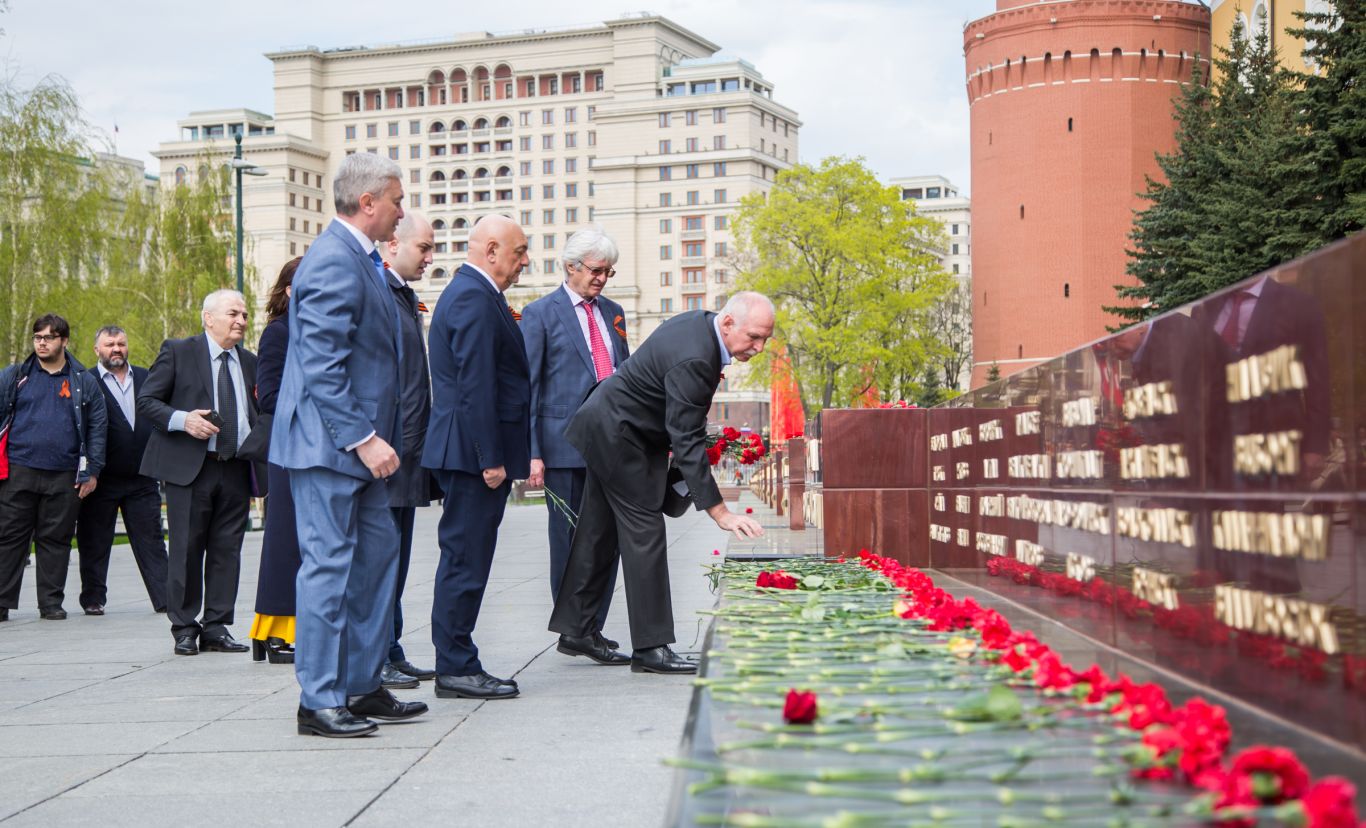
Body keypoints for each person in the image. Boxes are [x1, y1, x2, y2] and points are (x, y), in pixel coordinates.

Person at [271, 152, 427, 738]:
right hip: (329, 448)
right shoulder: (333, 260)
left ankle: (360, 685)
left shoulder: (359, 259)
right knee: (330, 570)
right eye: (396, 199)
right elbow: (319, 363)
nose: (401, 210)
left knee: (374, 564)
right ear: (368, 204)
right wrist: (364, 439)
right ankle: (319, 699)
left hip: (357, 450)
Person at [549, 292, 772, 673]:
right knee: (645, 532)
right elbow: (685, 437)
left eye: (766, 338)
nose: (760, 347)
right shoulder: (697, 358)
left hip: (609, 426)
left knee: (597, 533)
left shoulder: (703, 327)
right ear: (729, 322)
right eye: (754, 336)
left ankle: (577, 629)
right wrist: (719, 512)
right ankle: (651, 647)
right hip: (620, 436)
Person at [422, 214, 531, 701]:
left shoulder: (480, 295)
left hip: (472, 451)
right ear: (491, 250)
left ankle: (458, 660)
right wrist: (491, 457)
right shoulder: (471, 296)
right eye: (518, 251)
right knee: (465, 559)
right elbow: (475, 384)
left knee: (470, 557)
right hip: (471, 455)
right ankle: (456, 666)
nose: (524, 261)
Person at [521, 227, 629, 664]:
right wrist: (532, 452)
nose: (602, 279)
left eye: (609, 272)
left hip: (612, 446)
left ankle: (592, 627)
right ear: (570, 267)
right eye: (597, 270)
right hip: (561, 447)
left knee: (608, 539)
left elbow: (623, 375)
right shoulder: (540, 314)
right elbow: (528, 386)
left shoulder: (615, 312)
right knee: (568, 540)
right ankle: (573, 629)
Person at [139, 290, 264, 655]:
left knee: (228, 550)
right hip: (191, 468)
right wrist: (183, 420)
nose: (241, 320)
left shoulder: (251, 362)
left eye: (244, 314)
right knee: (186, 548)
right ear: (208, 318)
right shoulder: (179, 351)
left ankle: (217, 626)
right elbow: (147, 401)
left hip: (236, 467)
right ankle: (184, 626)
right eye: (233, 314)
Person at [0, 314, 106, 622]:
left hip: (65, 474)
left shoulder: (82, 380)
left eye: (48, 337)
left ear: (64, 341)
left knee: (56, 539)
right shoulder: (15, 376)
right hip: (19, 471)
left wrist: (93, 470)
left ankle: (50, 603)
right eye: (37, 338)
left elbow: (98, 427)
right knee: (9, 538)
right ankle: (2, 602)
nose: (41, 343)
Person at [380, 211, 438, 687]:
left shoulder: (404, 295)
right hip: (383, 453)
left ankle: (390, 646)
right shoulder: (378, 292)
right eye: (423, 248)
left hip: (407, 453)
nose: (430, 258)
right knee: (378, 561)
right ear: (390, 246)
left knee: (396, 562)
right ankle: (374, 653)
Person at [75, 326, 169, 615]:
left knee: (151, 539)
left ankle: (165, 598)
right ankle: (93, 599)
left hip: (143, 476)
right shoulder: (85, 381)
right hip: (102, 478)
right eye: (109, 344)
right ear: (97, 350)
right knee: (94, 540)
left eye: (121, 343)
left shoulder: (145, 377)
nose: (116, 349)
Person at [248, 257, 302, 665]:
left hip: (312, 448)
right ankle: (272, 633)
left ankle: (293, 630)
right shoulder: (278, 333)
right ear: (288, 290)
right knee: (285, 541)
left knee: (304, 544)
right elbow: (268, 395)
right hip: (287, 449)